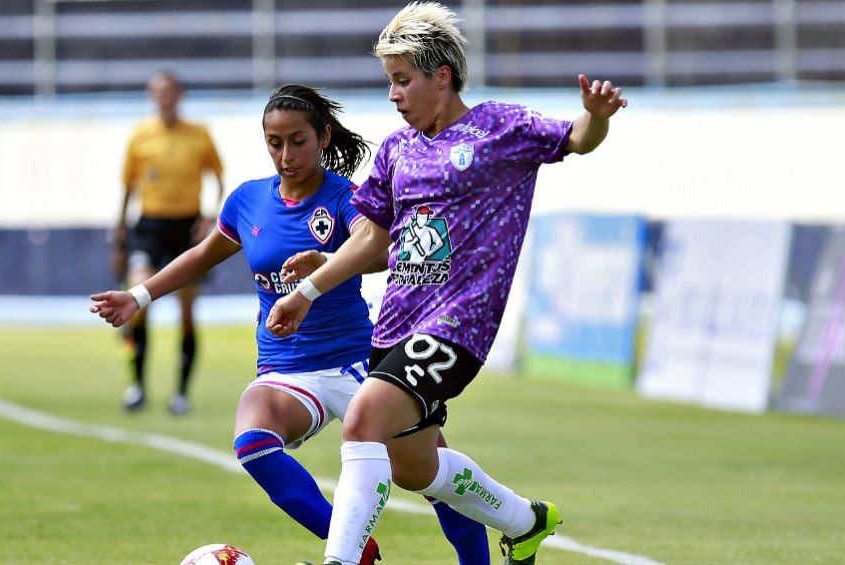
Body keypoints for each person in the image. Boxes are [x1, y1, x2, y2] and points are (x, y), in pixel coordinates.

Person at [265, 3, 628, 565]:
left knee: (361, 419)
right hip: (396, 325)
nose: (393, 94)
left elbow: (577, 138)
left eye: (402, 79)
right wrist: (323, 266)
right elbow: (376, 243)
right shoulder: (395, 150)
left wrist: (597, 116)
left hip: (458, 323)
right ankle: (526, 520)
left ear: (442, 76)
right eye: (389, 81)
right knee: (416, 468)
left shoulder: (499, 128)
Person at [91, 84, 492, 565]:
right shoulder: (248, 201)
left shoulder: (347, 197)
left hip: (357, 364)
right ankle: (354, 550)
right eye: (274, 143)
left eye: (298, 141)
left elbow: (383, 249)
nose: (286, 154)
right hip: (284, 367)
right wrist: (138, 296)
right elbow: (201, 256)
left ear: (323, 137)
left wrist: (327, 261)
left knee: (429, 473)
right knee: (253, 443)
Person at [115, 70, 225, 414]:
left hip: (186, 226)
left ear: (180, 94)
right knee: (137, 298)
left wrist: (210, 217)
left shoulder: (199, 135)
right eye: (158, 91)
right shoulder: (140, 135)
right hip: (149, 225)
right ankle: (136, 386)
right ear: (152, 95)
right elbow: (129, 185)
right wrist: (120, 227)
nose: (164, 97)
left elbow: (219, 179)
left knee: (187, 311)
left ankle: (181, 393)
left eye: (170, 90)